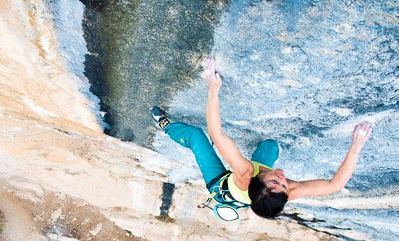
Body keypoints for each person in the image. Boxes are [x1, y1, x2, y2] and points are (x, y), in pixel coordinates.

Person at [151, 58, 373, 219]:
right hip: (250, 196)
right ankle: (249, 184)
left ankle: (167, 127)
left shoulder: (246, 173)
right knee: (270, 146)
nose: (283, 178)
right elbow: (335, 185)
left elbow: (216, 133)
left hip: (221, 185)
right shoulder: (284, 193)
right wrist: (356, 146)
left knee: (196, 136)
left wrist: (213, 87)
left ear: (257, 179)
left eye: (275, 181)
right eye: (284, 185)